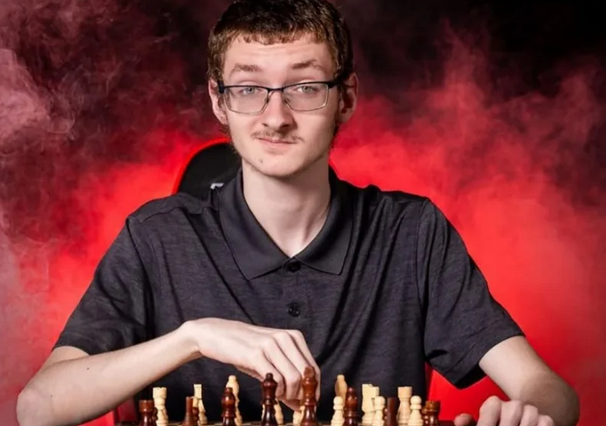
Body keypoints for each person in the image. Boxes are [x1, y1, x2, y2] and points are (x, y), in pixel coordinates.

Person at [16, 1, 580, 425]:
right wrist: (194, 337)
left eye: (305, 87)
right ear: (219, 101)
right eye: (248, 89)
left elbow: (550, 390)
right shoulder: (156, 236)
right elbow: (38, 407)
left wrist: (530, 414)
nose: (275, 116)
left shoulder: (411, 234)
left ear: (346, 98)